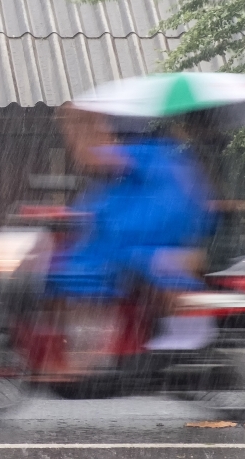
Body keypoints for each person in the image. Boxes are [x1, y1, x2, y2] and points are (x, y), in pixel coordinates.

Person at [42, 104, 218, 373]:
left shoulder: (151, 153)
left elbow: (92, 158)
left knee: (94, 268)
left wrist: (76, 124)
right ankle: (89, 346)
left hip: (150, 239)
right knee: (69, 266)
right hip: (128, 237)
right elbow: (98, 200)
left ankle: (177, 332)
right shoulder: (157, 158)